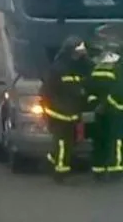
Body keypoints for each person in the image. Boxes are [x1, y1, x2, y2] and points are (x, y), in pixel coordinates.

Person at [40, 35, 90, 184]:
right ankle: (60, 172)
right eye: (77, 51)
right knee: (63, 142)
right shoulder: (58, 68)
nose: (79, 55)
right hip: (59, 111)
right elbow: (48, 90)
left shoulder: (78, 66)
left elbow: (88, 75)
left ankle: (51, 161)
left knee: (71, 142)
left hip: (71, 112)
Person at [86, 41, 123, 182]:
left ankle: (98, 170)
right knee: (116, 141)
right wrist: (108, 104)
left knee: (100, 141)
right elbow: (118, 90)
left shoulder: (97, 69)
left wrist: (96, 105)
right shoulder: (117, 69)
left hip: (99, 113)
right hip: (114, 111)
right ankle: (116, 170)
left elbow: (89, 90)